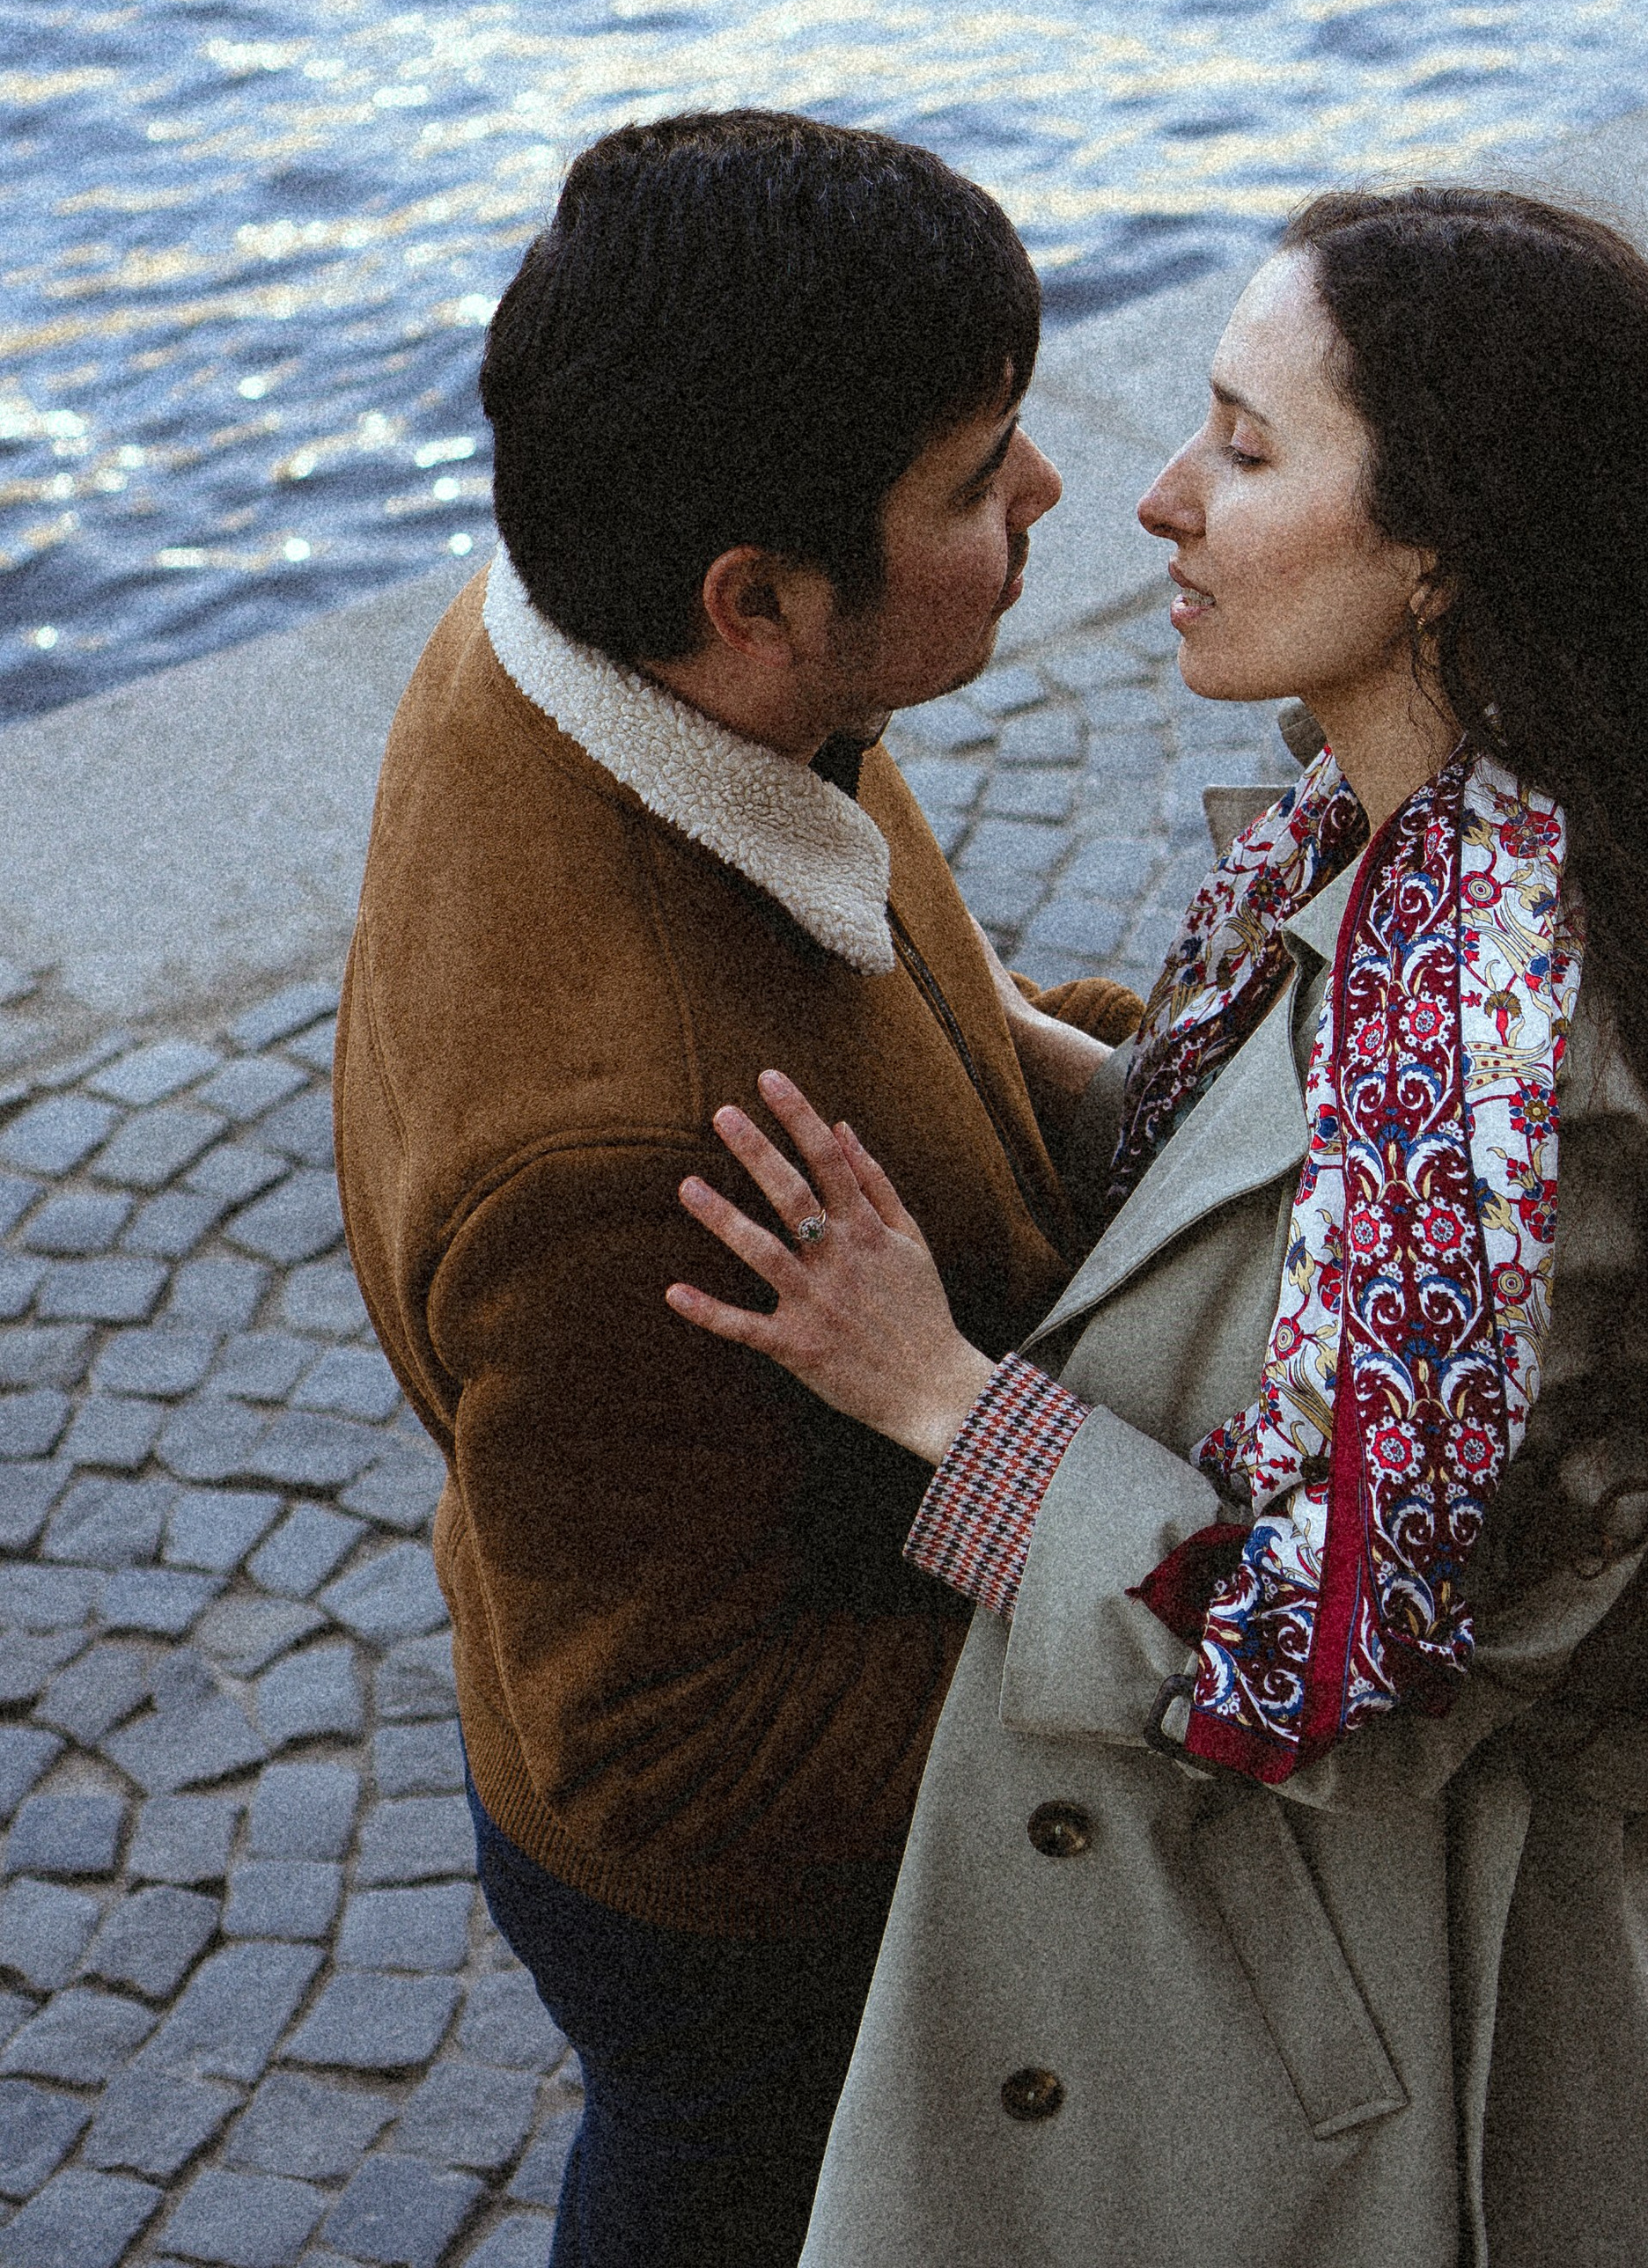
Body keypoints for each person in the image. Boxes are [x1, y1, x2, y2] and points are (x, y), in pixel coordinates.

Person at [669, 183, 1648, 2268]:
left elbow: (1333, 1655)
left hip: (1358, 2050)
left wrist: (937, 1397)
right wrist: (927, 997)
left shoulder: (1516, 1049)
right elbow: (1268, 1233)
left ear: (1437, 548)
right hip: (1258, 1975)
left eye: (1245, 445)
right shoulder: (1407, 853)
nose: (1153, 499)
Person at [333, 110, 1136, 2268]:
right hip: (755, 1958)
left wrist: (1167, 1083)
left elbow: (903, 1016)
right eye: (976, 481)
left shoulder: (580, 657)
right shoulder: (623, 1147)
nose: (1047, 491)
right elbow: (666, 1750)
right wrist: (1133, 1631)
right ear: (755, 604)